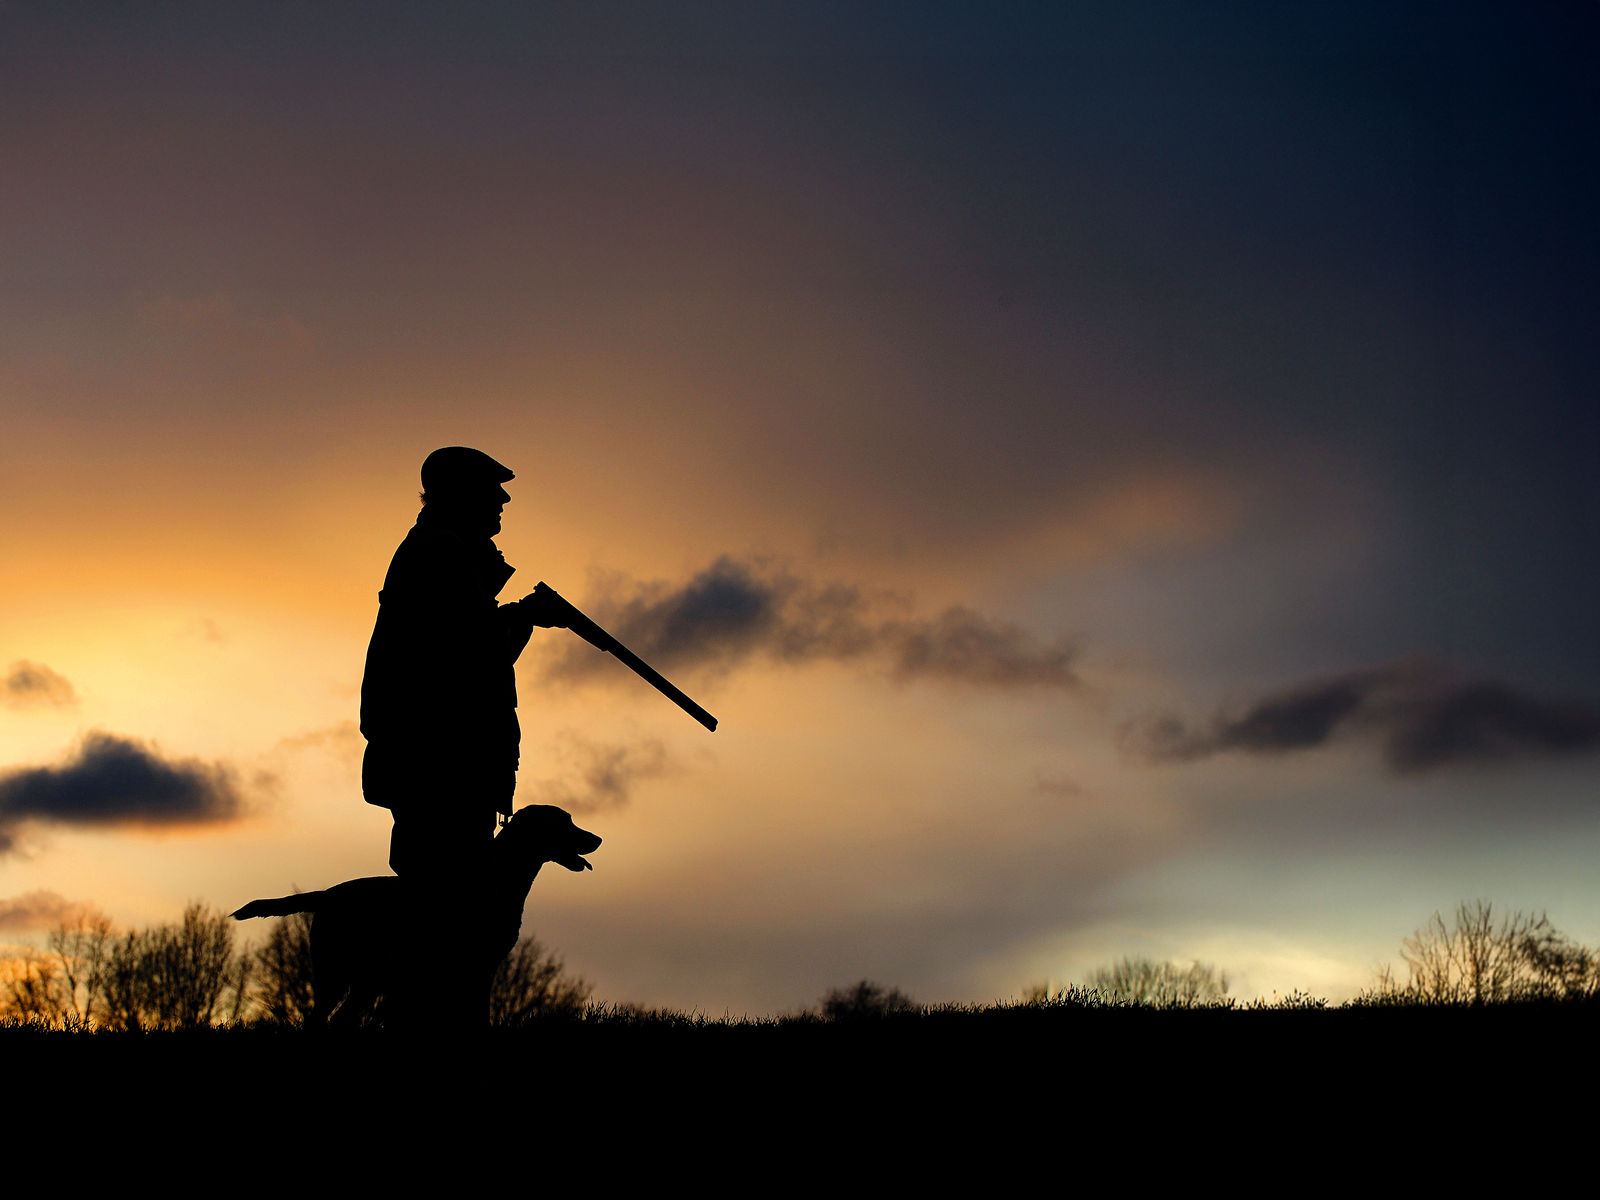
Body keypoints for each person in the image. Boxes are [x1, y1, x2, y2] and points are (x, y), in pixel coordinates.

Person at [358, 446, 566, 1023]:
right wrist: (521, 617)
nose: (502, 502)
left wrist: (519, 614)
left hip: (442, 773)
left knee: (444, 931)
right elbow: (472, 658)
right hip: (442, 775)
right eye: (490, 491)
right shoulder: (442, 552)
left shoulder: (441, 552)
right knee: (455, 935)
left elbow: (467, 649)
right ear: (459, 495)